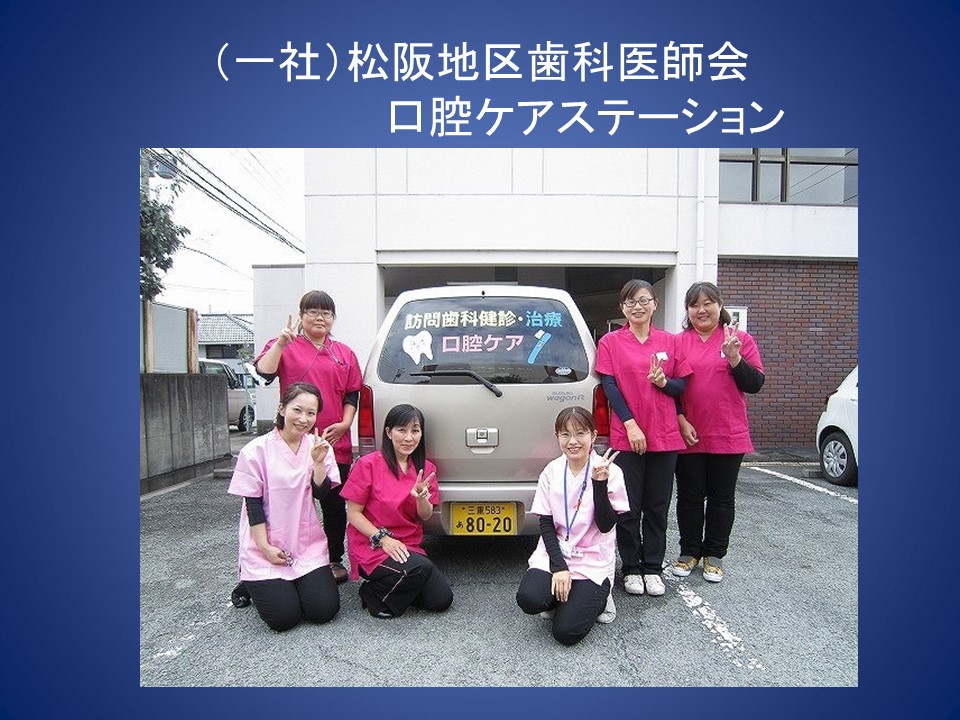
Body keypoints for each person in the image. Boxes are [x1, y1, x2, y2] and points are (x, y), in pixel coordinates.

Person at [254, 290, 362, 584]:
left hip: (332, 442)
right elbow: (263, 373)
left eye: (326, 313)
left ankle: (333, 558)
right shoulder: (286, 344)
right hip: (291, 440)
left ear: (333, 318)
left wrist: (345, 423)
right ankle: (279, 555)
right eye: (312, 312)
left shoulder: (344, 353)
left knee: (333, 504)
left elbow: (352, 393)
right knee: (285, 502)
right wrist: (280, 343)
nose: (319, 318)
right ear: (301, 316)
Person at [596, 280, 692, 598]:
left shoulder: (670, 342)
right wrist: (630, 424)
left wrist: (664, 382)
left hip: (664, 434)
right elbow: (610, 386)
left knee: (657, 505)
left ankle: (652, 567)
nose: (637, 307)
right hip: (628, 435)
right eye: (630, 302)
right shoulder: (611, 341)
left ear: (655, 304)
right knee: (628, 505)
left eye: (643, 300)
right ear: (622, 308)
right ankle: (631, 568)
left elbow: (681, 387)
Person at [227, 382, 341, 632]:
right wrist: (265, 547)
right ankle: (249, 582)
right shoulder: (255, 451)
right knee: (284, 618)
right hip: (266, 541)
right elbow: (253, 504)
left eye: (311, 413)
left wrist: (318, 463)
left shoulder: (318, 447)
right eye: (297, 410)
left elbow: (322, 494)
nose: (303, 419)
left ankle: (288, 583)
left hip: (304, 543)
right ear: (282, 409)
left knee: (323, 611)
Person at [672, 281, 765, 583]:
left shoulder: (740, 340)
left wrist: (735, 358)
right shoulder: (678, 342)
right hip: (689, 433)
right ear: (687, 310)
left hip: (727, 432)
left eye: (707, 303)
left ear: (720, 305)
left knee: (721, 498)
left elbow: (755, 384)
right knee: (689, 496)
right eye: (694, 305)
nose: (701, 310)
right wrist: (680, 419)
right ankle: (689, 551)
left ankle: (714, 554)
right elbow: (670, 388)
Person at [516, 407, 629, 646]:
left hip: (591, 558)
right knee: (529, 599)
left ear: (593, 435)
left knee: (566, 633)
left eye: (580, 433)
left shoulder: (610, 471)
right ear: (557, 437)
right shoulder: (552, 471)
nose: (573, 441)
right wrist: (559, 567)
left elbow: (606, 526)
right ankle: (565, 593)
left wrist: (599, 484)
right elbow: (546, 523)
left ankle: (600, 598)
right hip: (556, 552)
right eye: (565, 434)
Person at [341, 404, 453, 619]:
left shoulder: (426, 469)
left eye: (415, 430)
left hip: (408, 544)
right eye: (402, 430)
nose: (409, 438)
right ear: (388, 432)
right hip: (372, 543)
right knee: (420, 568)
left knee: (440, 600)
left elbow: (425, 516)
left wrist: (421, 498)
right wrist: (383, 539)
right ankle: (373, 595)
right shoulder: (368, 464)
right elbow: (353, 514)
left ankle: (389, 587)